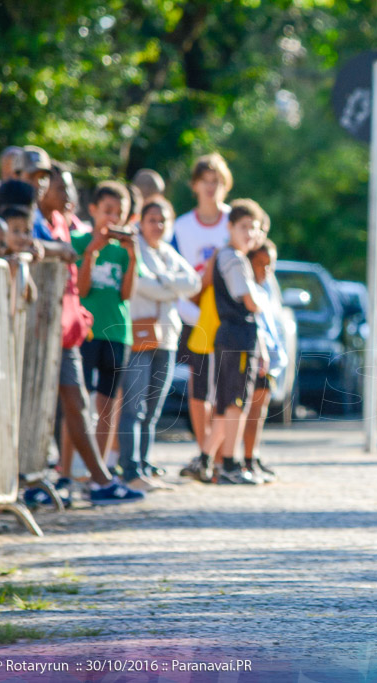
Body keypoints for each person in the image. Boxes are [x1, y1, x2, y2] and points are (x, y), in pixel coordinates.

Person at [117, 199, 201, 491]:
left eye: (163, 220)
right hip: (140, 337)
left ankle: (144, 465)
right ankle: (129, 469)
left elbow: (194, 283)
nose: (158, 226)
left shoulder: (167, 252)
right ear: (142, 221)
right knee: (133, 407)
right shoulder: (134, 249)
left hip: (167, 339)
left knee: (153, 410)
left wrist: (164, 282)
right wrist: (171, 288)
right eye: (152, 219)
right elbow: (140, 284)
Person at [71, 181, 139, 476]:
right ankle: (73, 467)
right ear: (93, 209)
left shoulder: (124, 251)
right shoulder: (78, 242)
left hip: (117, 332)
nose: (113, 218)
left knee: (108, 407)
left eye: (119, 213)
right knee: (80, 401)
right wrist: (91, 253)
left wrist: (134, 256)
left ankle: (100, 472)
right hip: (85, 332)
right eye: (107, 211)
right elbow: (81, 289)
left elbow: (126, 294)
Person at [172, 153, 233, 479]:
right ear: (194, 185)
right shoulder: (181, 227)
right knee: (200, 391)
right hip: (193, 318)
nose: (211, 188)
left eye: (217, 181)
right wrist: (194, 308)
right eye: (205, 181)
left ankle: (223, 457)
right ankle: (204, 454)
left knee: (229, 391)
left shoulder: (233, 222)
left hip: (228, 321)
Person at [205, 199, 265, 485]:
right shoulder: (234, 258)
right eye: (243, 227)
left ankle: (206, 458)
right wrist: (263, 298)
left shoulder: (235, 257)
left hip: (236, 335)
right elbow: (251, 302)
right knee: (235, 402)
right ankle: (229, 463)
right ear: (229, 227)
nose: (249, 233)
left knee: (228, 401)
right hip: (237, 335)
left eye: (253, 228)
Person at [241, 239, 285, 482]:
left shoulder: (268, 289)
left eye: (270, 266)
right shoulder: (249, 289)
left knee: (261, 409)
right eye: (261, 264)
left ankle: (252, 455)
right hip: (257, 356)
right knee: (250, 408)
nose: (266, 271)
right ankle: (241, 458)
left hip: (272, 358)